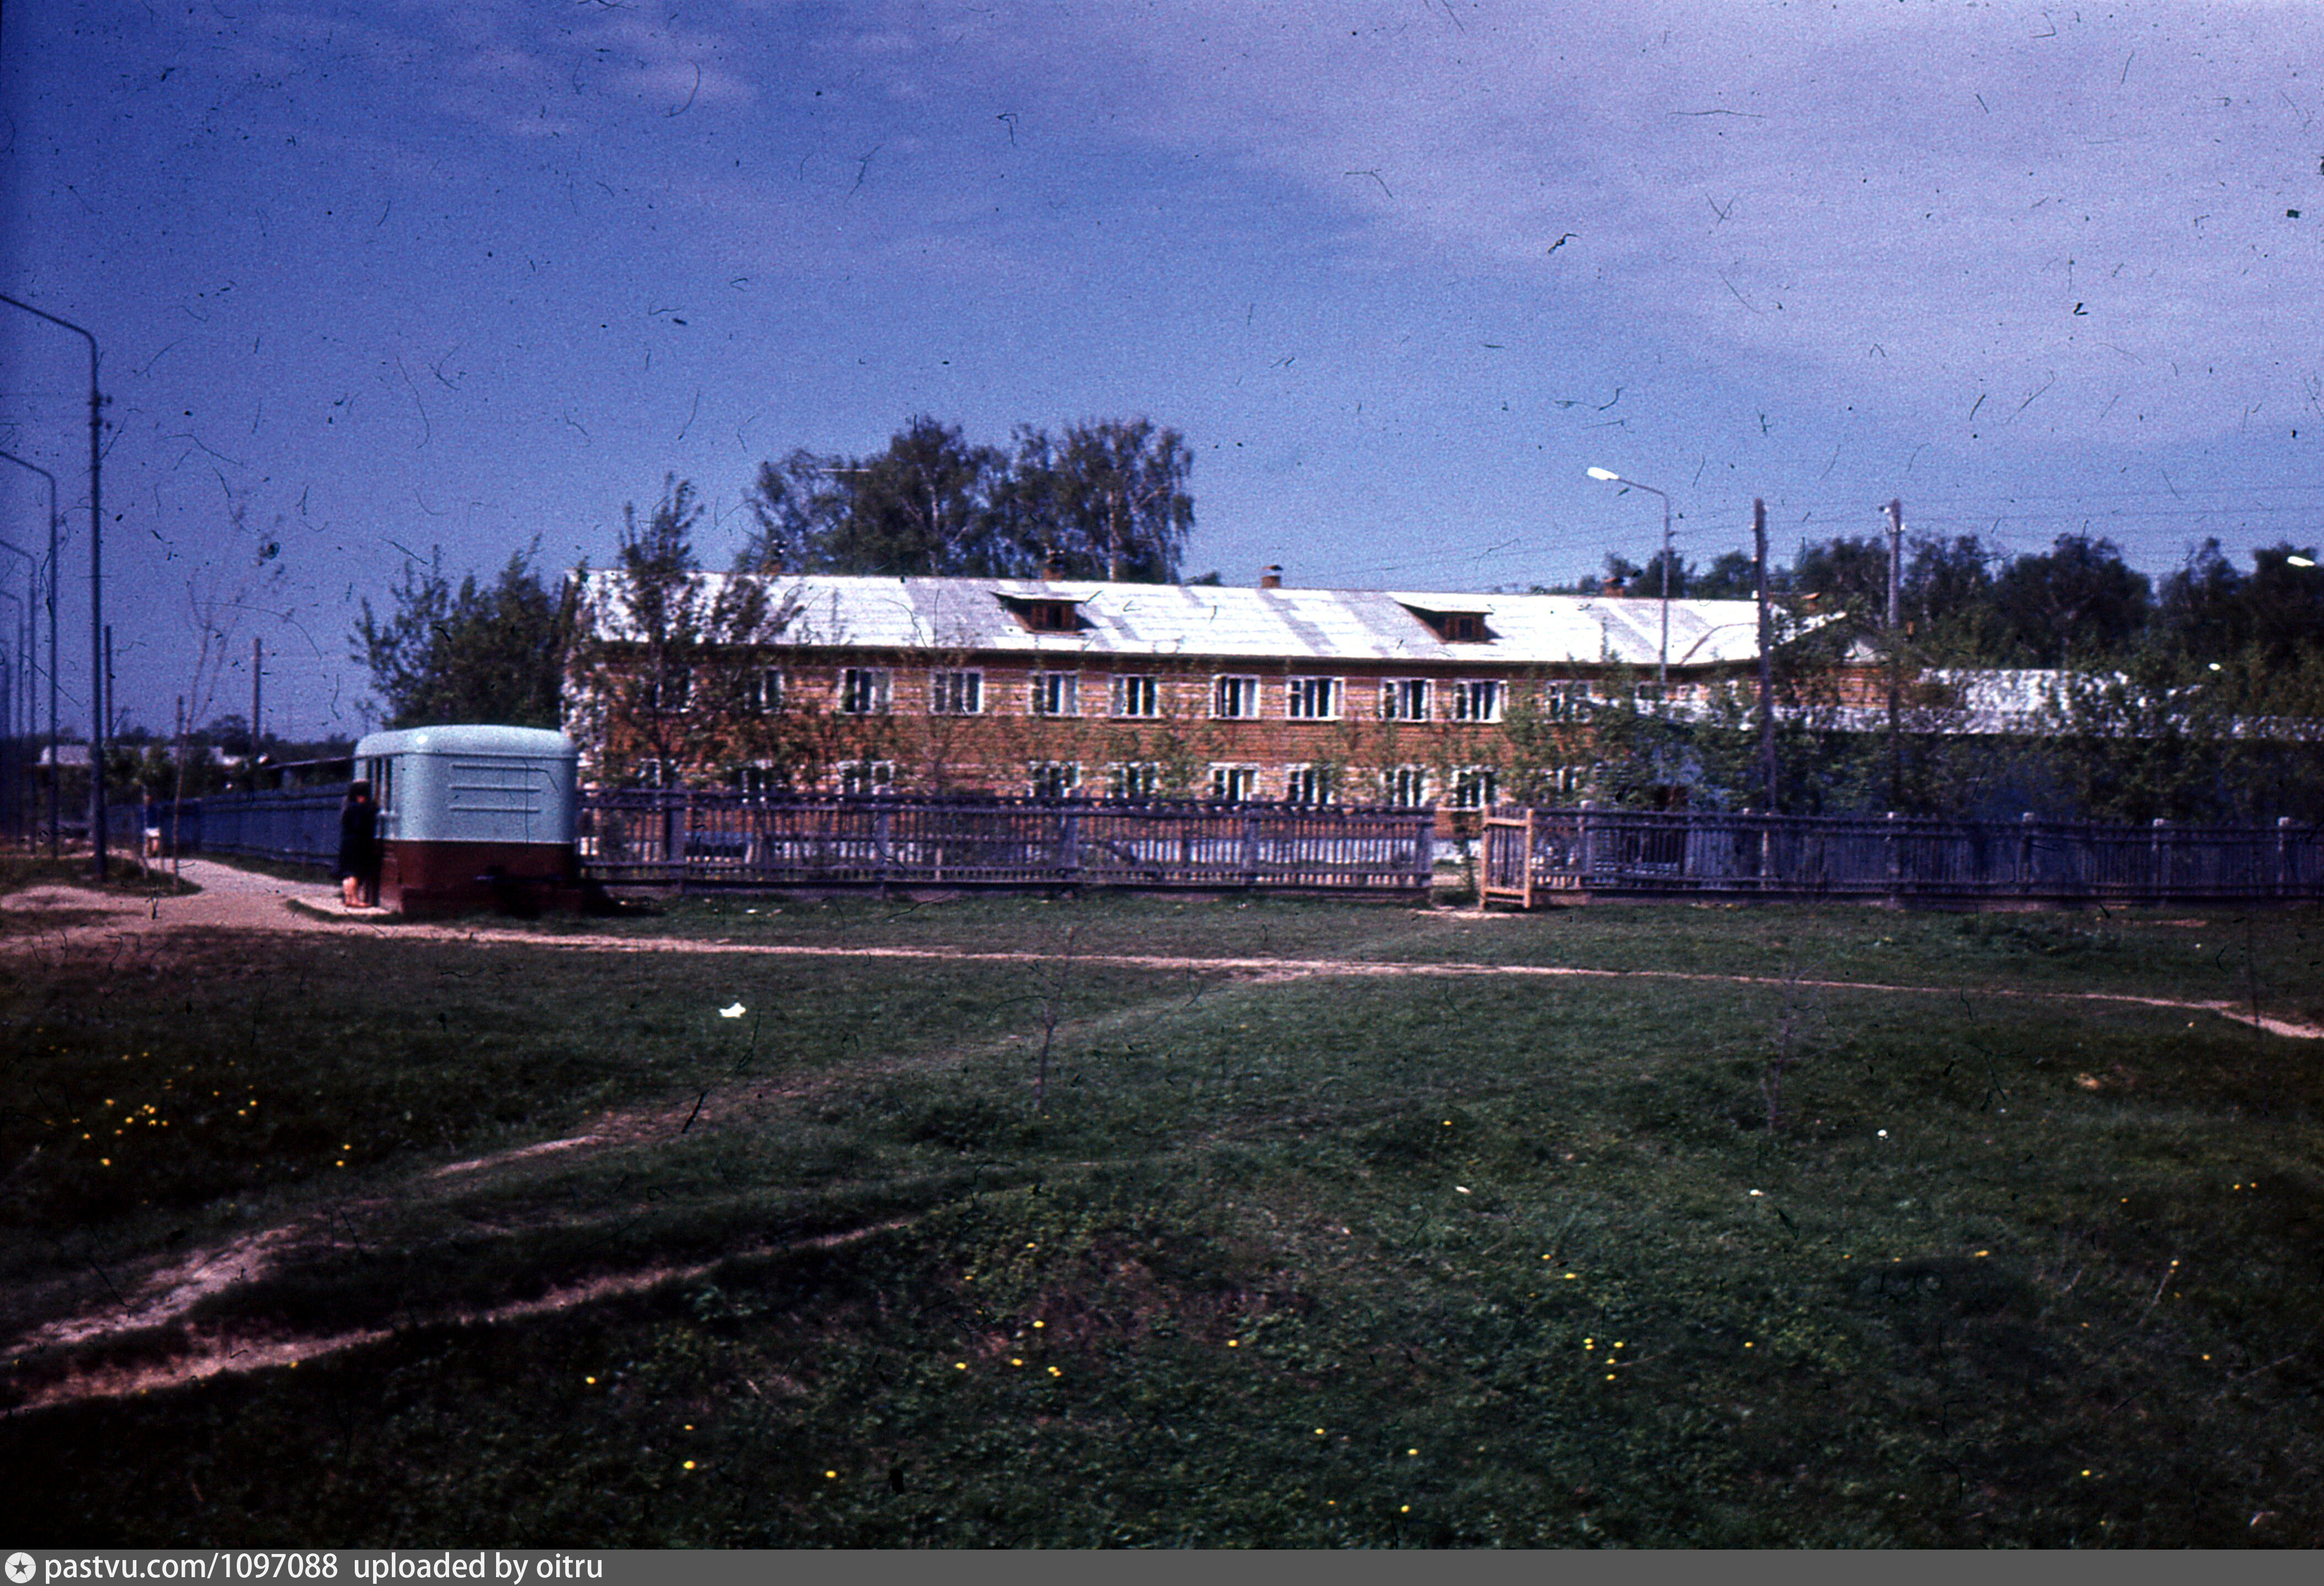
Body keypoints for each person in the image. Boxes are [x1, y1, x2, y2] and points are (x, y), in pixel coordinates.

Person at [337, 779, 382, 909]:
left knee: (348, 873)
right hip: (357, 843)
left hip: (347, 842)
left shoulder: (347, 806)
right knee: (355, 872)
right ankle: (356, 899)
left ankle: (348, 898)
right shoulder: (358, 809)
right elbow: (360, 826)